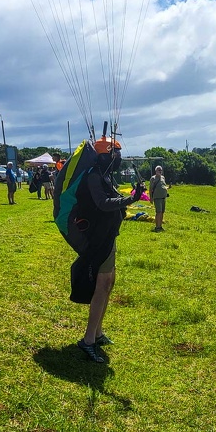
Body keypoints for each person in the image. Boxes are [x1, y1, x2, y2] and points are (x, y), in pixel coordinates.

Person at [74, 137, 143, 363]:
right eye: (115, 155)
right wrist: (129, 199)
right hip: (98, 240)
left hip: (108, 237)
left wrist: (130, 197)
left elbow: (112, 199)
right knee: (101, 287)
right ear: (104, 156)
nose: (118, 160)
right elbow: (103, 203)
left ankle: (98, 333)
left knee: (109, 283)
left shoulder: (103, 176)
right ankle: (88, 340)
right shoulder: (94, 176)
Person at [149, 165, 169, 232]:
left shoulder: (163, 178)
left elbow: (164, 186)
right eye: (158, 170)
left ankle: (160, 226)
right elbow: (150, 189)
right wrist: (151, 198)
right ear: (156, 171)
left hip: (163, 197)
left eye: (161, 170)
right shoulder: (153, 178)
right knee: (158, 212)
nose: (160, 171)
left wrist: (168, 188)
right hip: (157, 198)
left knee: (162, 212)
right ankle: (157, 226)